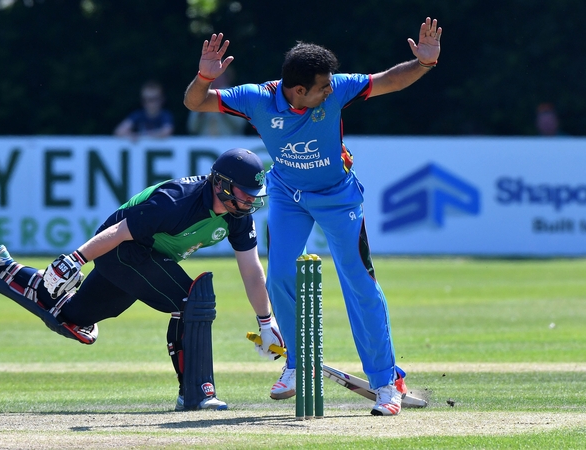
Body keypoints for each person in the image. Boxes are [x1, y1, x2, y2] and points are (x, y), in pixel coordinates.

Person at [183, 17, 443, 416]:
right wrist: (203, 76)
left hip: (339, 198)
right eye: (322, 87)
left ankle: (387, 381)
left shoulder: (335, 90)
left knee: (358, 282)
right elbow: (195, 102)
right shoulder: (256, 99)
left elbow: (388, 80)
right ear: (298, 89)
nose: (329, 90)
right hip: (288, 195)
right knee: (281, 276)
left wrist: (424, 64)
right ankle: (295, 363)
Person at [0, 148, 284, 411]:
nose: (249, 202)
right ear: (220, 184)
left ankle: (2, 268)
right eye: (244, 194)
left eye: (254, 195)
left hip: (147, 257)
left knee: (72, 318)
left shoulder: (238, 217)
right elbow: (118, 232)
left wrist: (266, 322)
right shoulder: (176, 201)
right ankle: (196, 393)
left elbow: (252, 269)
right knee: (191, 300)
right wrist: (76, 259)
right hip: (120, 249)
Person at [187, 71, 246, 136]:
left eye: (218, 76)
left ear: (226, 78)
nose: (215, 79)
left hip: (230, 142)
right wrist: (201, 113)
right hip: (205, 143)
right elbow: (192, 127)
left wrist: (223, 109)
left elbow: (240, 124)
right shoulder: (201, 95)